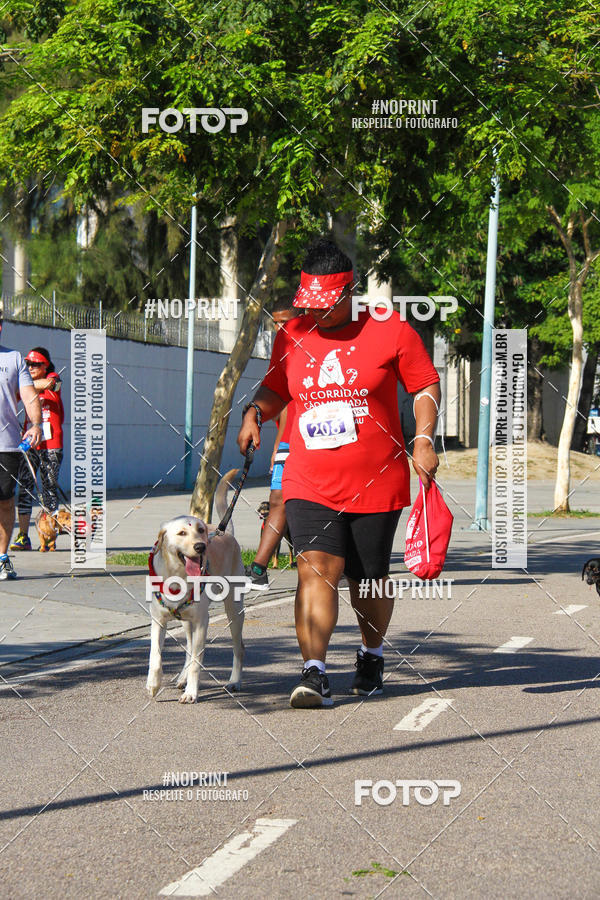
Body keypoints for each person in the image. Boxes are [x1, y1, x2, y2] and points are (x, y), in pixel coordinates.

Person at [238, 239, 440, 708]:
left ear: (351, 291)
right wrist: (254, 413)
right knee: (316, 570)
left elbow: (425, 384)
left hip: (378, 481)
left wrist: (424, 440)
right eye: (311, 306)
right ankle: (314, 672)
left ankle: (371, 653)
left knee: (367, 580)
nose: (318, 315)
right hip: (309, 478)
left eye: (327, 306)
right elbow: (276, 385)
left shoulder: (392, 331)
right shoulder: (293, 334)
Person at [245, 300, 302, 590]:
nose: (279, 328)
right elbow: (281, 409)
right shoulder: (283, 357)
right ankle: (258, 568)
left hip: (321, 446)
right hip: (289, 444)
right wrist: (277, 448)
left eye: (285, 322)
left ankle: (337, 561)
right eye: (275, 323)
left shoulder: (311, 348)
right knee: (277, 501)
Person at [0, 318, 43, 578]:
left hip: (6, 444)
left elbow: (28, 395)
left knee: (5, 501)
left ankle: (2, 557)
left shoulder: (14, 359)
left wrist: (36, 424)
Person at [11, 348, 64, 551]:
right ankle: (23, 536)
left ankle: (49, 536)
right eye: (28, 364)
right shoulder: (24, 380)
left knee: (49, 488)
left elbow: (51, 384)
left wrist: (25, 387)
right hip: (30, 443)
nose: (31, 367)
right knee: (24, 487)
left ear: (46, 366)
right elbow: (12, 395)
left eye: (36, 364)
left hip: (51, 444)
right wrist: (23, 388)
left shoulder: (53, 377)